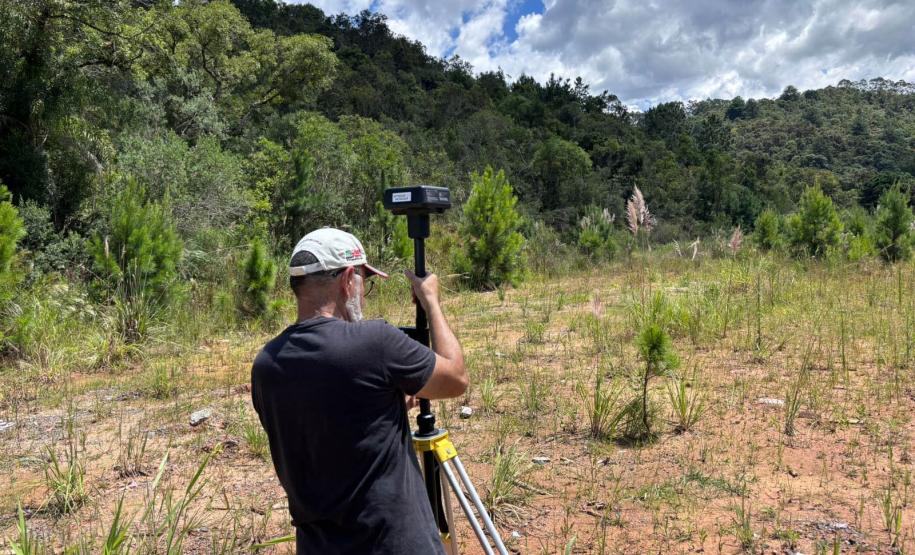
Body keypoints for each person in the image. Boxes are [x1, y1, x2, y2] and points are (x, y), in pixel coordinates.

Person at [251, 227, 467, 554]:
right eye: (366, 281)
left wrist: (383, 403)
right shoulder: (374, 342)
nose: (364, 292)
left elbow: (325, 420)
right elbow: (456, 378)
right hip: (392, 543)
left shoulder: (267, 364)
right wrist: (432, 302)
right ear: (348, 279)